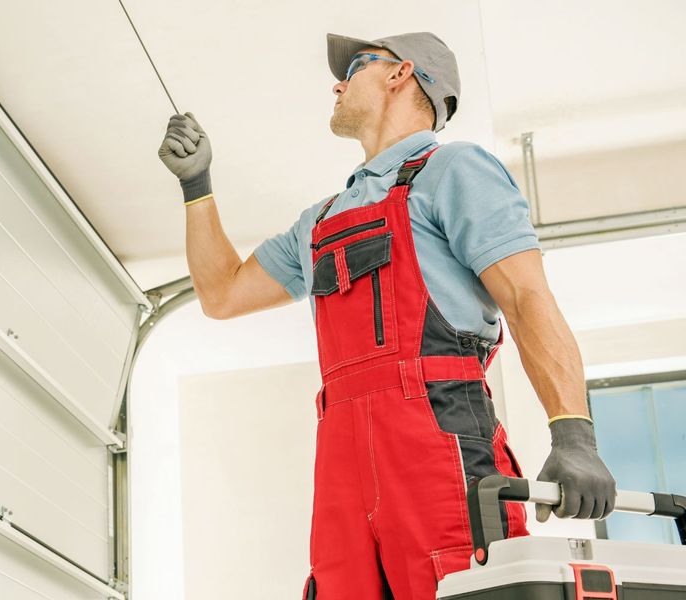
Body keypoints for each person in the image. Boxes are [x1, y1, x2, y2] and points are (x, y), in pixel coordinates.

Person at [158, 32, 617, 599]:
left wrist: (573, 434)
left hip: (435, 437)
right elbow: (221, 294)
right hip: (340, 457)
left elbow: (527, 298)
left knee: (458, 586)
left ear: (400, 74)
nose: (337, 82)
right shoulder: (321, 218)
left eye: (353, 67)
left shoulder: (454, 170)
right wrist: (196, 186)